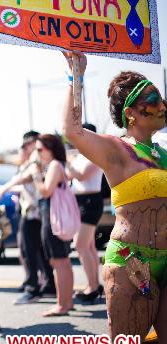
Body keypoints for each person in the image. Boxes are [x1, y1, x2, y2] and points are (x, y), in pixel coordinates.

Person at [62, 51, 166, 344]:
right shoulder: (117, 149)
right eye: (154, 100)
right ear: (132, 113)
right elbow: (73, 131)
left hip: (166, 263)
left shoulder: (161, 154)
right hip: (131, 262)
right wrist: (76, 77)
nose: (162, 106)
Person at [0, 131, 56, 304]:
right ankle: (48, 285)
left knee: (29, 251)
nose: (25, 148)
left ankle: (33, 288)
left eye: (28, 145)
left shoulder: (36, 164)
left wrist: (4, 188)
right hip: (32, 212)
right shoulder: (34, 163)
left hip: (33, 212)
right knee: (36, 251)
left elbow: (22, 179)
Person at [28, 134, 75, 317]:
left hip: (53, 218)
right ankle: (66, 302)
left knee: (58, 261)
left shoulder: (55, 165)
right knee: (62, 260)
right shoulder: (57, 164)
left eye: (40, 149)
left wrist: (36, 176)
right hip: (56, 217)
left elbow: (46, 191)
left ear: (50, 149)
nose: (37, 153)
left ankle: (62, 304)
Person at [65, 123, 104, 304]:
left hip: (90, 202)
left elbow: (80, 176)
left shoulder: (95, 154)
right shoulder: (80, 155)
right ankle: (94, 285)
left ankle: (93, 287)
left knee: (80, 245)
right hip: (79, 201)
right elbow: (69, 176)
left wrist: (67, 163)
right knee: (88, 247)